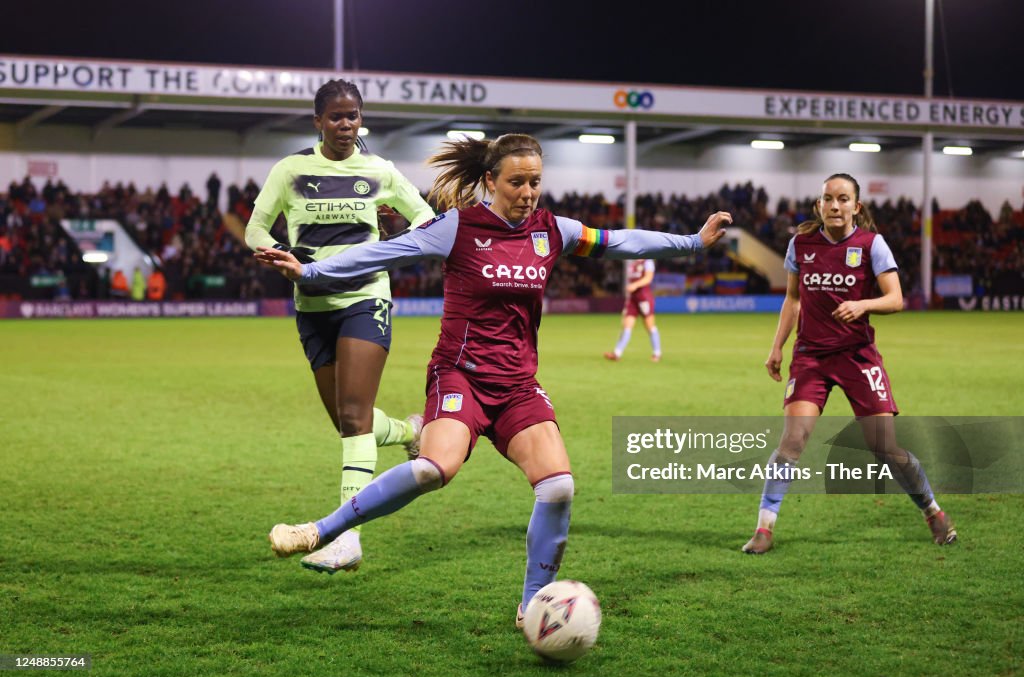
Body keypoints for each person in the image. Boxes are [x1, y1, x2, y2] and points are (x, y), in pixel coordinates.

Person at [255, 133, 732, 623]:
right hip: (460, 376)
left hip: (519, 385)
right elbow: (385, 253)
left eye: (535, 183)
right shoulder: (457, 227)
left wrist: (692, 243)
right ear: (490, 181)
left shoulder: (553, 230)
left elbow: (621, 242)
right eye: (517, 182)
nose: (528, 193)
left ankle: (533, 607)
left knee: (559, 486)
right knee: (433, 469)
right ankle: (321, 530)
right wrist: (311, 273)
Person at [244, 78, 436, 572]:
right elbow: (255, 228)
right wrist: (276, 253)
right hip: (311, 306)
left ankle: (347, 539)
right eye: (336, 117)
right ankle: (408, 429)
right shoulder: (291, 171)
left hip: (364, 298)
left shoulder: (379, 170)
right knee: (349, 424)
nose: (346, 125)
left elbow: (426, 219)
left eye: (353, 116)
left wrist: (391, 246)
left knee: (353, 416)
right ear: (318, 122)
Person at [742, 172, 957, 554]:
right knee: (792, 441)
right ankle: (764, 529)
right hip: (810, 358)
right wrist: (777, 347)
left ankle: (932, 510)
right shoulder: (801, 244)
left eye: (843, 199)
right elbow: (792, 300)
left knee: (885, 448)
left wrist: (863, 304)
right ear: (819, 205)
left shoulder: (872, 245)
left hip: (857, 357)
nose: (835, 206)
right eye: (828, 199)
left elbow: (896, 299)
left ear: (856, 206)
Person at [604, 258, 661, 362]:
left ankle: (657, 353)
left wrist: (635, 285)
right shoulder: (633, 262)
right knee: (626, 325)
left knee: (649, 326)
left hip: (644, 298)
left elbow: (648, 278)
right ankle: (617, 353)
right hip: (632, 299)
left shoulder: (648, 262)